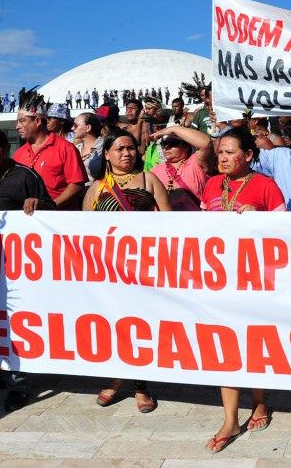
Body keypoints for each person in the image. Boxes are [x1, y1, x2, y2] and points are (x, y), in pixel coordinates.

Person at [199, 127, 283, 453]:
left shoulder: (266, 186)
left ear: (248, 155)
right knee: (226, 344)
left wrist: (259, 219)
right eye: (220, 151)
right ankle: (230, 418)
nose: (222, 157)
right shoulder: (210, 185)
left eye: (231, 151)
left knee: (256, 340)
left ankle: (260, 402)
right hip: (220, 281)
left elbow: (285, 233)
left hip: (257, 280)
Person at [84, 129, 169, 413]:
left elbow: (172, 225)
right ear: (106, 154)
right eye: (119, 148)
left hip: (144, 267)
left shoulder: (149, 180)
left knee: (141, 326)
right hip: (109, 271)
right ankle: (117, 376)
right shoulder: (96, 188)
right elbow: (83, 234)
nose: (126, 153)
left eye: (131, 148)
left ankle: (139, 386)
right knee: (114, 326)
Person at [0, 126, 55, 410]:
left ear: (5, 149)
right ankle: (3, 367)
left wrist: (39, 204)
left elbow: (54, 213)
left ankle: (18, 383)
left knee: (16, 320)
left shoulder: (26, 176)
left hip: (20, 267)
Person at [12, 88, 87, 210]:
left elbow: (77, 184)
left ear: (37, 121)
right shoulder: (18, 154)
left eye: (22, 121)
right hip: (27, 222)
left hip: (60, 221)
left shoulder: (66, 148)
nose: (17, 127)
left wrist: (50, 206)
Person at [148, 124, 213, 211]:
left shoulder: (196, 163)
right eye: (164, 144)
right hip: (163, 222)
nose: (166, 147)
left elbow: (206, 143)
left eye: (172, 143)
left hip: (193, 222)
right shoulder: (154, 171)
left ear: (186, 146)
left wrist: (173, 129)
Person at [73, 112, 104, 182]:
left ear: (88, 128)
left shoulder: (104, 146)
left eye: (75, 125)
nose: (72, 128)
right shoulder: (76, 148)